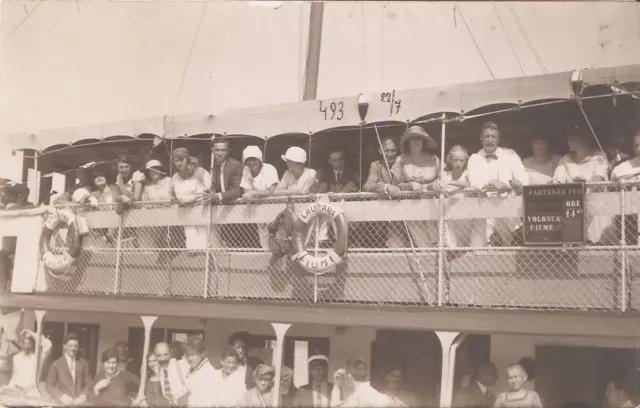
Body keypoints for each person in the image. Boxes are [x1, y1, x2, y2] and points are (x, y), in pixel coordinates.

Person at [468, 121, 529, 247]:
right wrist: (491, 182)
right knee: (479, 248)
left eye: (493, 137)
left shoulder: (510, 155)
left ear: (499, 138)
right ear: (481, 137)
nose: (490, 140)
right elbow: (474, 182)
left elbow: (523, 178)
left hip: (507, 207)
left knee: (509, 245)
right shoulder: (475, 158)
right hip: (484, 209)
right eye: (486, 136)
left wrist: (517, 183)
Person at [553, 127, 611, 244]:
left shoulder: (599, 157)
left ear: (582, 140)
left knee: (596, 242)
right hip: (571, 206)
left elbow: (599, 179)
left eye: (571, 139)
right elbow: (557, 180)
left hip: (597, 206)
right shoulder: (565, 159)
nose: (568, 142)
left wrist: (586, 183)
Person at [391, 125, 441, 248]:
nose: (416, 142)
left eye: (419, 139)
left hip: (433, 206)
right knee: (423, 245)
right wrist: (411, 184)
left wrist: (435, 183)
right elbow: (395, 184)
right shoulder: (401, 159)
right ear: (408, 141)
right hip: (412, 206)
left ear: (424, 141)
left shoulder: (433, 158)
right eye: (413, 139)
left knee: (438, 243)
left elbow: (443, 177)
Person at [433, 145, 485, 248]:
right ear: (450, 160)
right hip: (449, 220)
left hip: (466, 220)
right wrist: (436, 184)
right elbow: (435, 185)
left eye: (461, 160)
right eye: (455, 160)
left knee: (467, 248)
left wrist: (449, 183)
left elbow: (467, 185)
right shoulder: (444, 175)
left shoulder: (468, 174)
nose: (458, 164)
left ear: (465, 161)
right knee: (451, 248)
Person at [240, 145, 280, 249]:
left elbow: (272, 191)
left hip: (273, 209)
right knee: (264, 242)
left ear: (259, 159)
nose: (251, 162)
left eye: (254, 159)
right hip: (258, 210)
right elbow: (246, 192)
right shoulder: (246, 170)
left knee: (277, 240)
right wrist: (254, 194)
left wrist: (254, 194)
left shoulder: (269, 169)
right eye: (248, 160)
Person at [171, 148, 211, 250]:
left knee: (204, 242)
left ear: (187, 159)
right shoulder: (175, 176)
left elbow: (206, 191)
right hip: (186, 213)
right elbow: (175, 195)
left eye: (182, 159)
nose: (179, 163)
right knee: (191, 245)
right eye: (176, 160)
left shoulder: (201, 172)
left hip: (202, 211)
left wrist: (188, 199)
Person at [45, 333, 92, 405]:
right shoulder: (56, 364)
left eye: (75, 346)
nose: (73, 348)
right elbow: (49, 385)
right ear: (64, 346)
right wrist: (62, 396)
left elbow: (89, 383)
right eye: (70, 345)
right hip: (63, 404)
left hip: (80, 404)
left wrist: (83, 396)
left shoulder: (84, 363)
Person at [612, 129, 640, 245]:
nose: (639, 149)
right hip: (632, 216)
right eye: (637, 145)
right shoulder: (624, 168)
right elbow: (615, 175)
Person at [204, 136, 243, 205]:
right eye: (217, 150)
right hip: (221, 207)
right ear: (212, 150)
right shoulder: (214, 168)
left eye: (223, 150)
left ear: (228, 151)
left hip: (236, 206)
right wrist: (211, 193)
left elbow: (237, 191)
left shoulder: (236, 165)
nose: (220, 154)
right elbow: (214, 187)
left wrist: (218, 196)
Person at [182, 336, 217, 408]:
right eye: (187, 354)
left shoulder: (208, 373)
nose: (189, 358)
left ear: (202, 353)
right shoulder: (192, 369)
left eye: (193, 354)